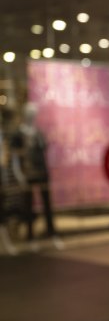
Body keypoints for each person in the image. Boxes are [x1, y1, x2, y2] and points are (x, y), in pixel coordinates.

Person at [11, 103, 56, 240]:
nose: (32, 116)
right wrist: (18, 173)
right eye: (29, 113)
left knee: (47, 202)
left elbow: (45, 153)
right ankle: (30, 232)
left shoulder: (39, 133)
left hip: (41, 171)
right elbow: (14, 157)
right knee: (28, 203)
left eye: (34, 113)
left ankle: (50, 229)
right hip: (27, 172)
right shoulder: (18, 134)